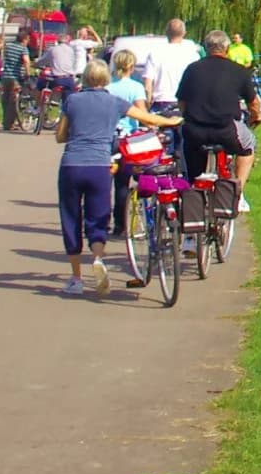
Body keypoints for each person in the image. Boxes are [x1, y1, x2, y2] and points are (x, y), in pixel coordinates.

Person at [55, 60, 128, 296]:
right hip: (100, 165)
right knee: (98, 217)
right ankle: (97, 258)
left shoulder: (72, 100)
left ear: (85, 78)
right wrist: (171, 121)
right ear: (106, 79)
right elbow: (145, 116)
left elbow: (60, 135)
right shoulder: (114, 102)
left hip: (72, 165)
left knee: (71, 218)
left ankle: (76, 278)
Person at [104, 47, 178, 258]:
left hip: (110, 138)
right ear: (130, 66)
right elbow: (142, 115)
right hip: (129, 140)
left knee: (111, 183)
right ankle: (129, 223)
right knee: (130, 181)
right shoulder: (135, 88)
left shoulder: (108, 87)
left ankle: (110, 223)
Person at [175, 29, 257, 211]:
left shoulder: (192, 69)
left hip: (196, 132)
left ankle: (194, 206)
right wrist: (255, 118)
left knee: (191, 169)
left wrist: (188, 116)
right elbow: (254, 103)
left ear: (206, 48)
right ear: (227, 49)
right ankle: (238, 193)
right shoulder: (239, 71)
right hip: (226, 131)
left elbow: (182, 102)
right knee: (249, 145)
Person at [140, 17, 201, 114]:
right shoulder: (193, 55)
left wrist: (147, 103)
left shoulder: (155, 53)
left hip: (161, 102)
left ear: (166, 32)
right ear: (184, 33)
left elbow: (148, 84)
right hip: (185, 102)